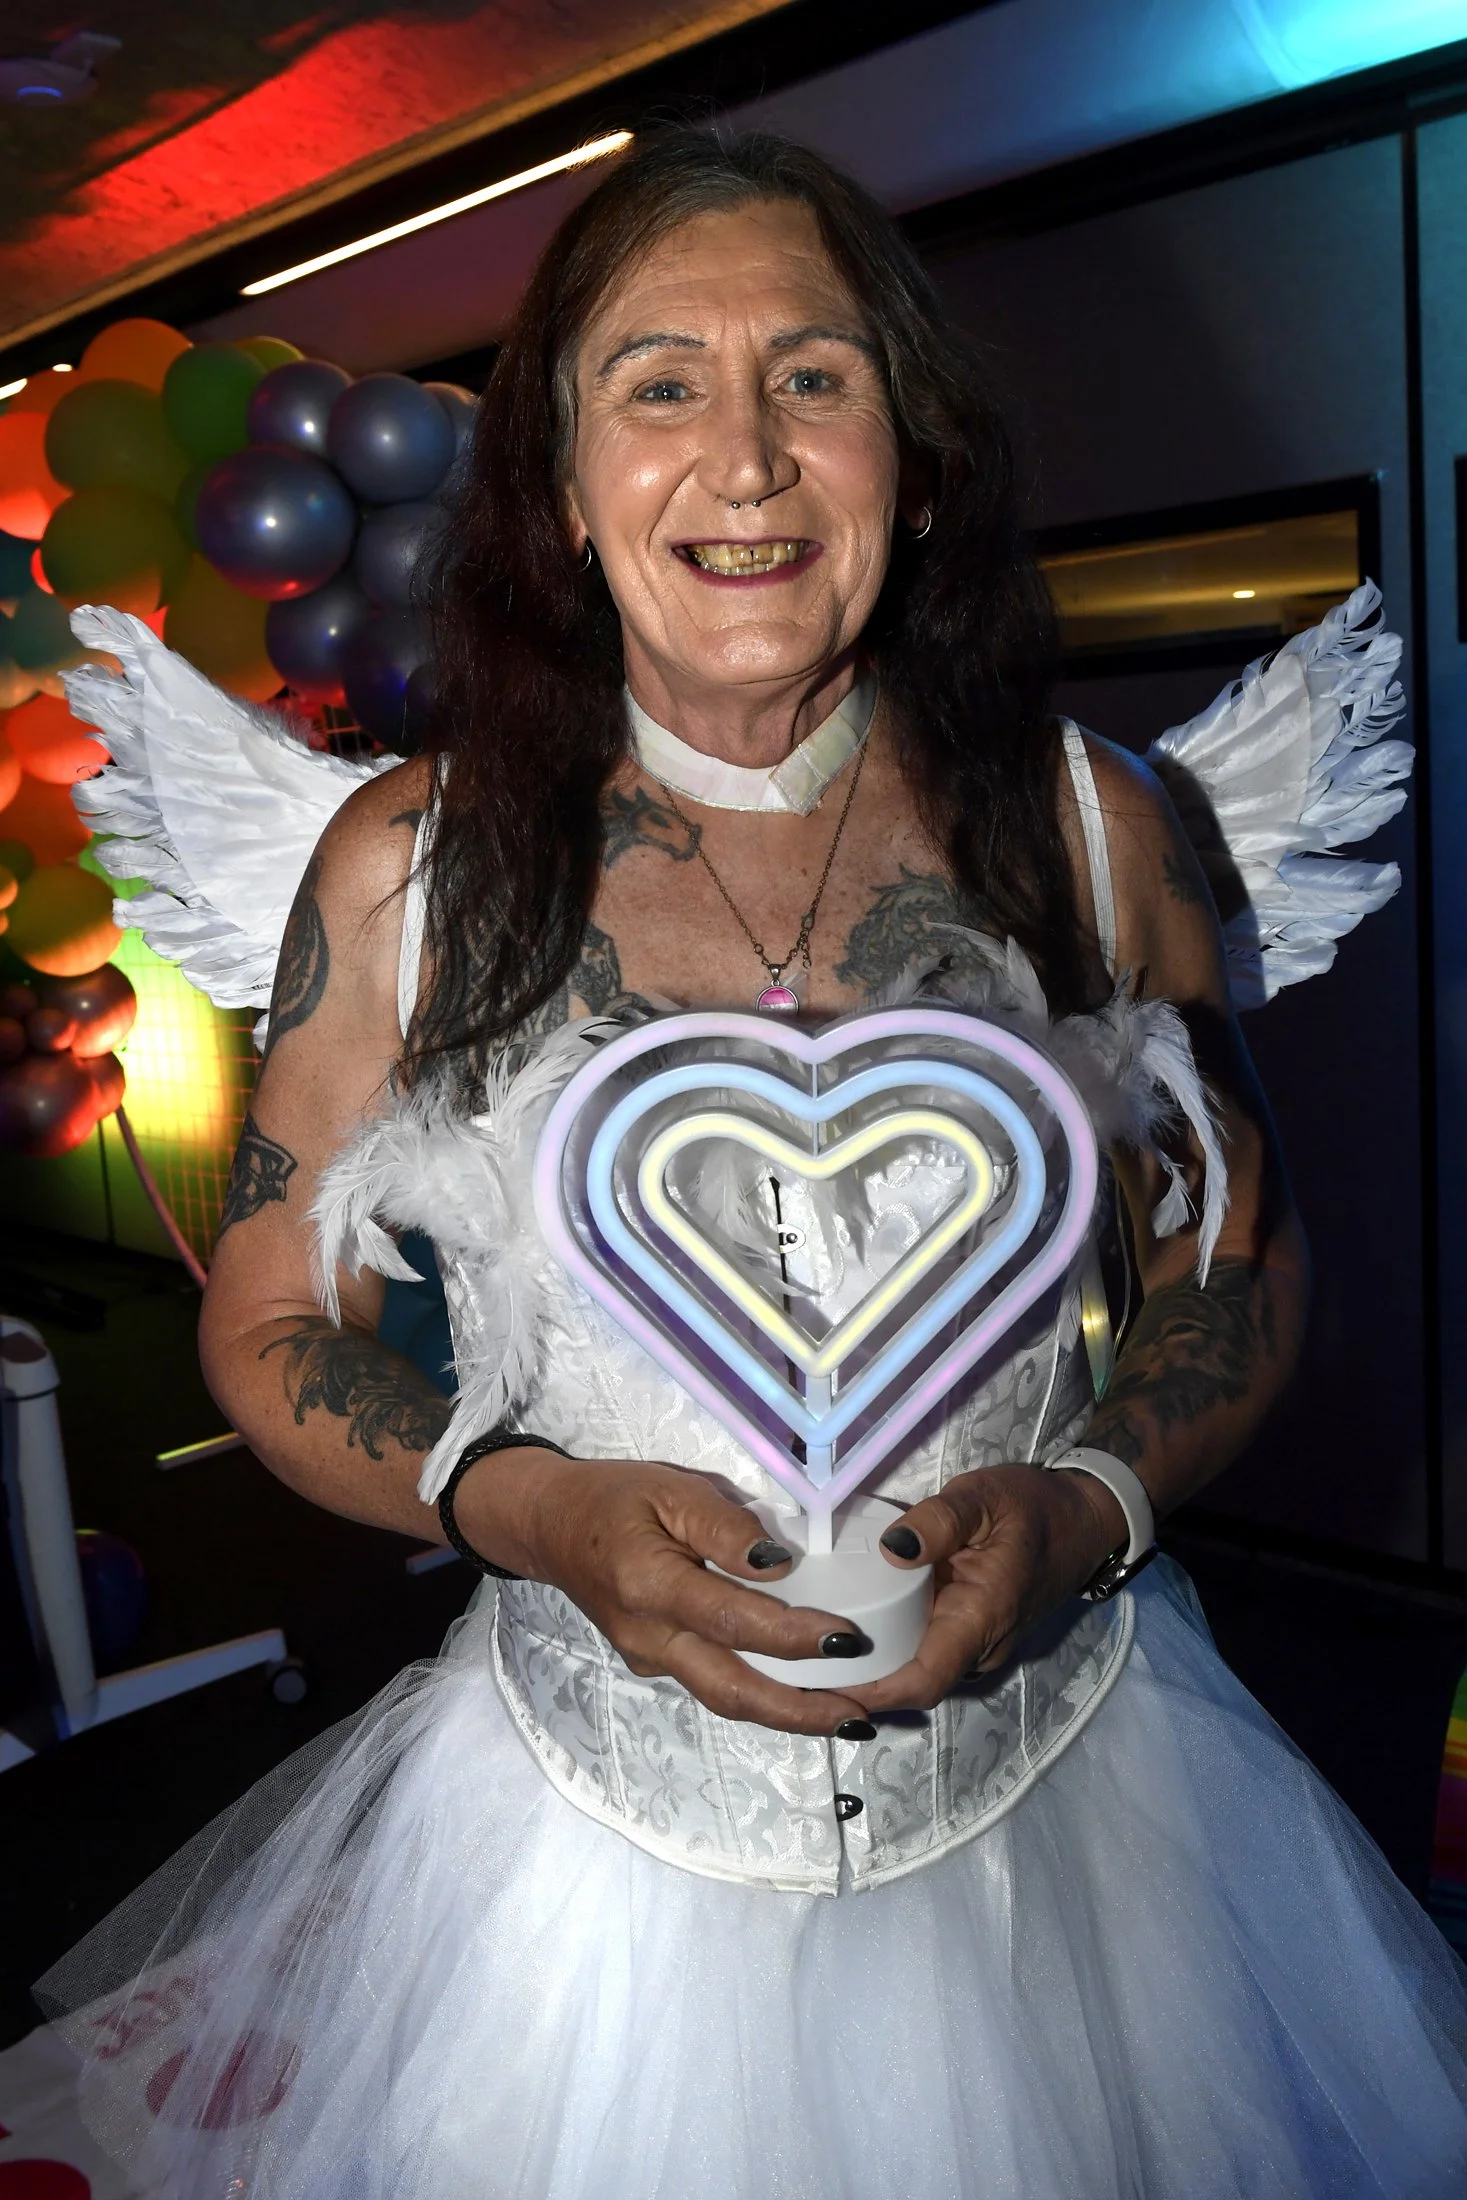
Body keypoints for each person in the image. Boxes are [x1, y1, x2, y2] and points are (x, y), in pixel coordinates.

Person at [47, 127, 1467, 2196]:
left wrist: (1080, 1505)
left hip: (1074, 1826)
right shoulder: (408, 872)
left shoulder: (1094, 830)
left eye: (813, 375)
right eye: (659, 383)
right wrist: (519, 1495)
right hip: (583, 1859)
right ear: (554, 479)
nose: (744, 459)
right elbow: (272, 1311)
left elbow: (1236, 1260)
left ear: (911, 446)